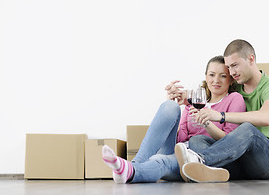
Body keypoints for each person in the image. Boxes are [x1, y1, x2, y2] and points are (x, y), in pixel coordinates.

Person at [101, 55, 246, 183]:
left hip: (196, 159)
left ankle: (129, 171)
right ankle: (135, 164)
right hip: (179, 148)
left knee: (160, 161)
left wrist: (206, 124)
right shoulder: (194, 101)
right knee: (170, 106)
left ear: (231, 80)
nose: (216, 80)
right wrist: (171, 101)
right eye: (212, 75)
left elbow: (228, 141)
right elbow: (181, 137)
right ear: (206, 77)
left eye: (223, 76)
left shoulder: (235, 99)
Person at [174, 39, 269, 182]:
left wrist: (221, 116)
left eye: (235, 65)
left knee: (248, 129)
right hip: (240, 161)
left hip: (268, 163)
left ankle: (200, 161)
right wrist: (182, 96)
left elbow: (267, 117)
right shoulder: (236, 88)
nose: (232, 72)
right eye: (229, 67)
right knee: (198, 140)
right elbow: (211, 94)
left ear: (251, 59)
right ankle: (211, 172)